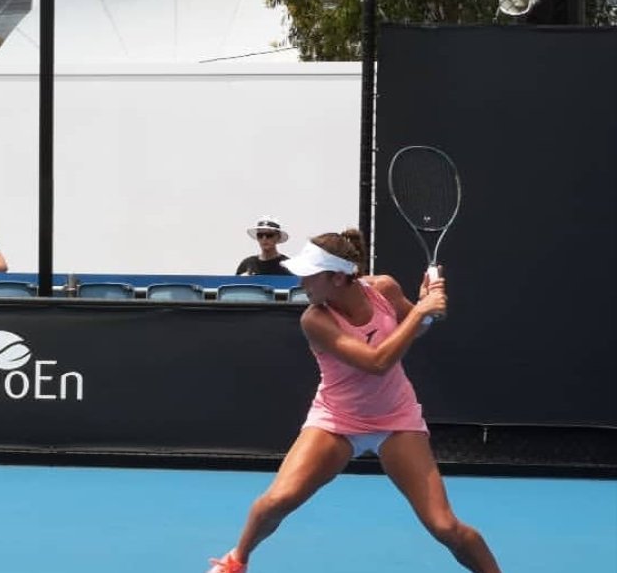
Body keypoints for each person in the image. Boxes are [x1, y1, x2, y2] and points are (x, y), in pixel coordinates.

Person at [206, 229, 500, 573]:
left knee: (445, 527)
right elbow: (376, 363)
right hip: (336, 420)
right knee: (276, 501)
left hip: (396, 419)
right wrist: (422, 312)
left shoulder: (384, 289)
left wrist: (428, 311)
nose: (300, 281)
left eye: (309, 274)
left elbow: (414, 329)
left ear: (337, 277)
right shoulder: (315, 319)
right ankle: (236, 560)